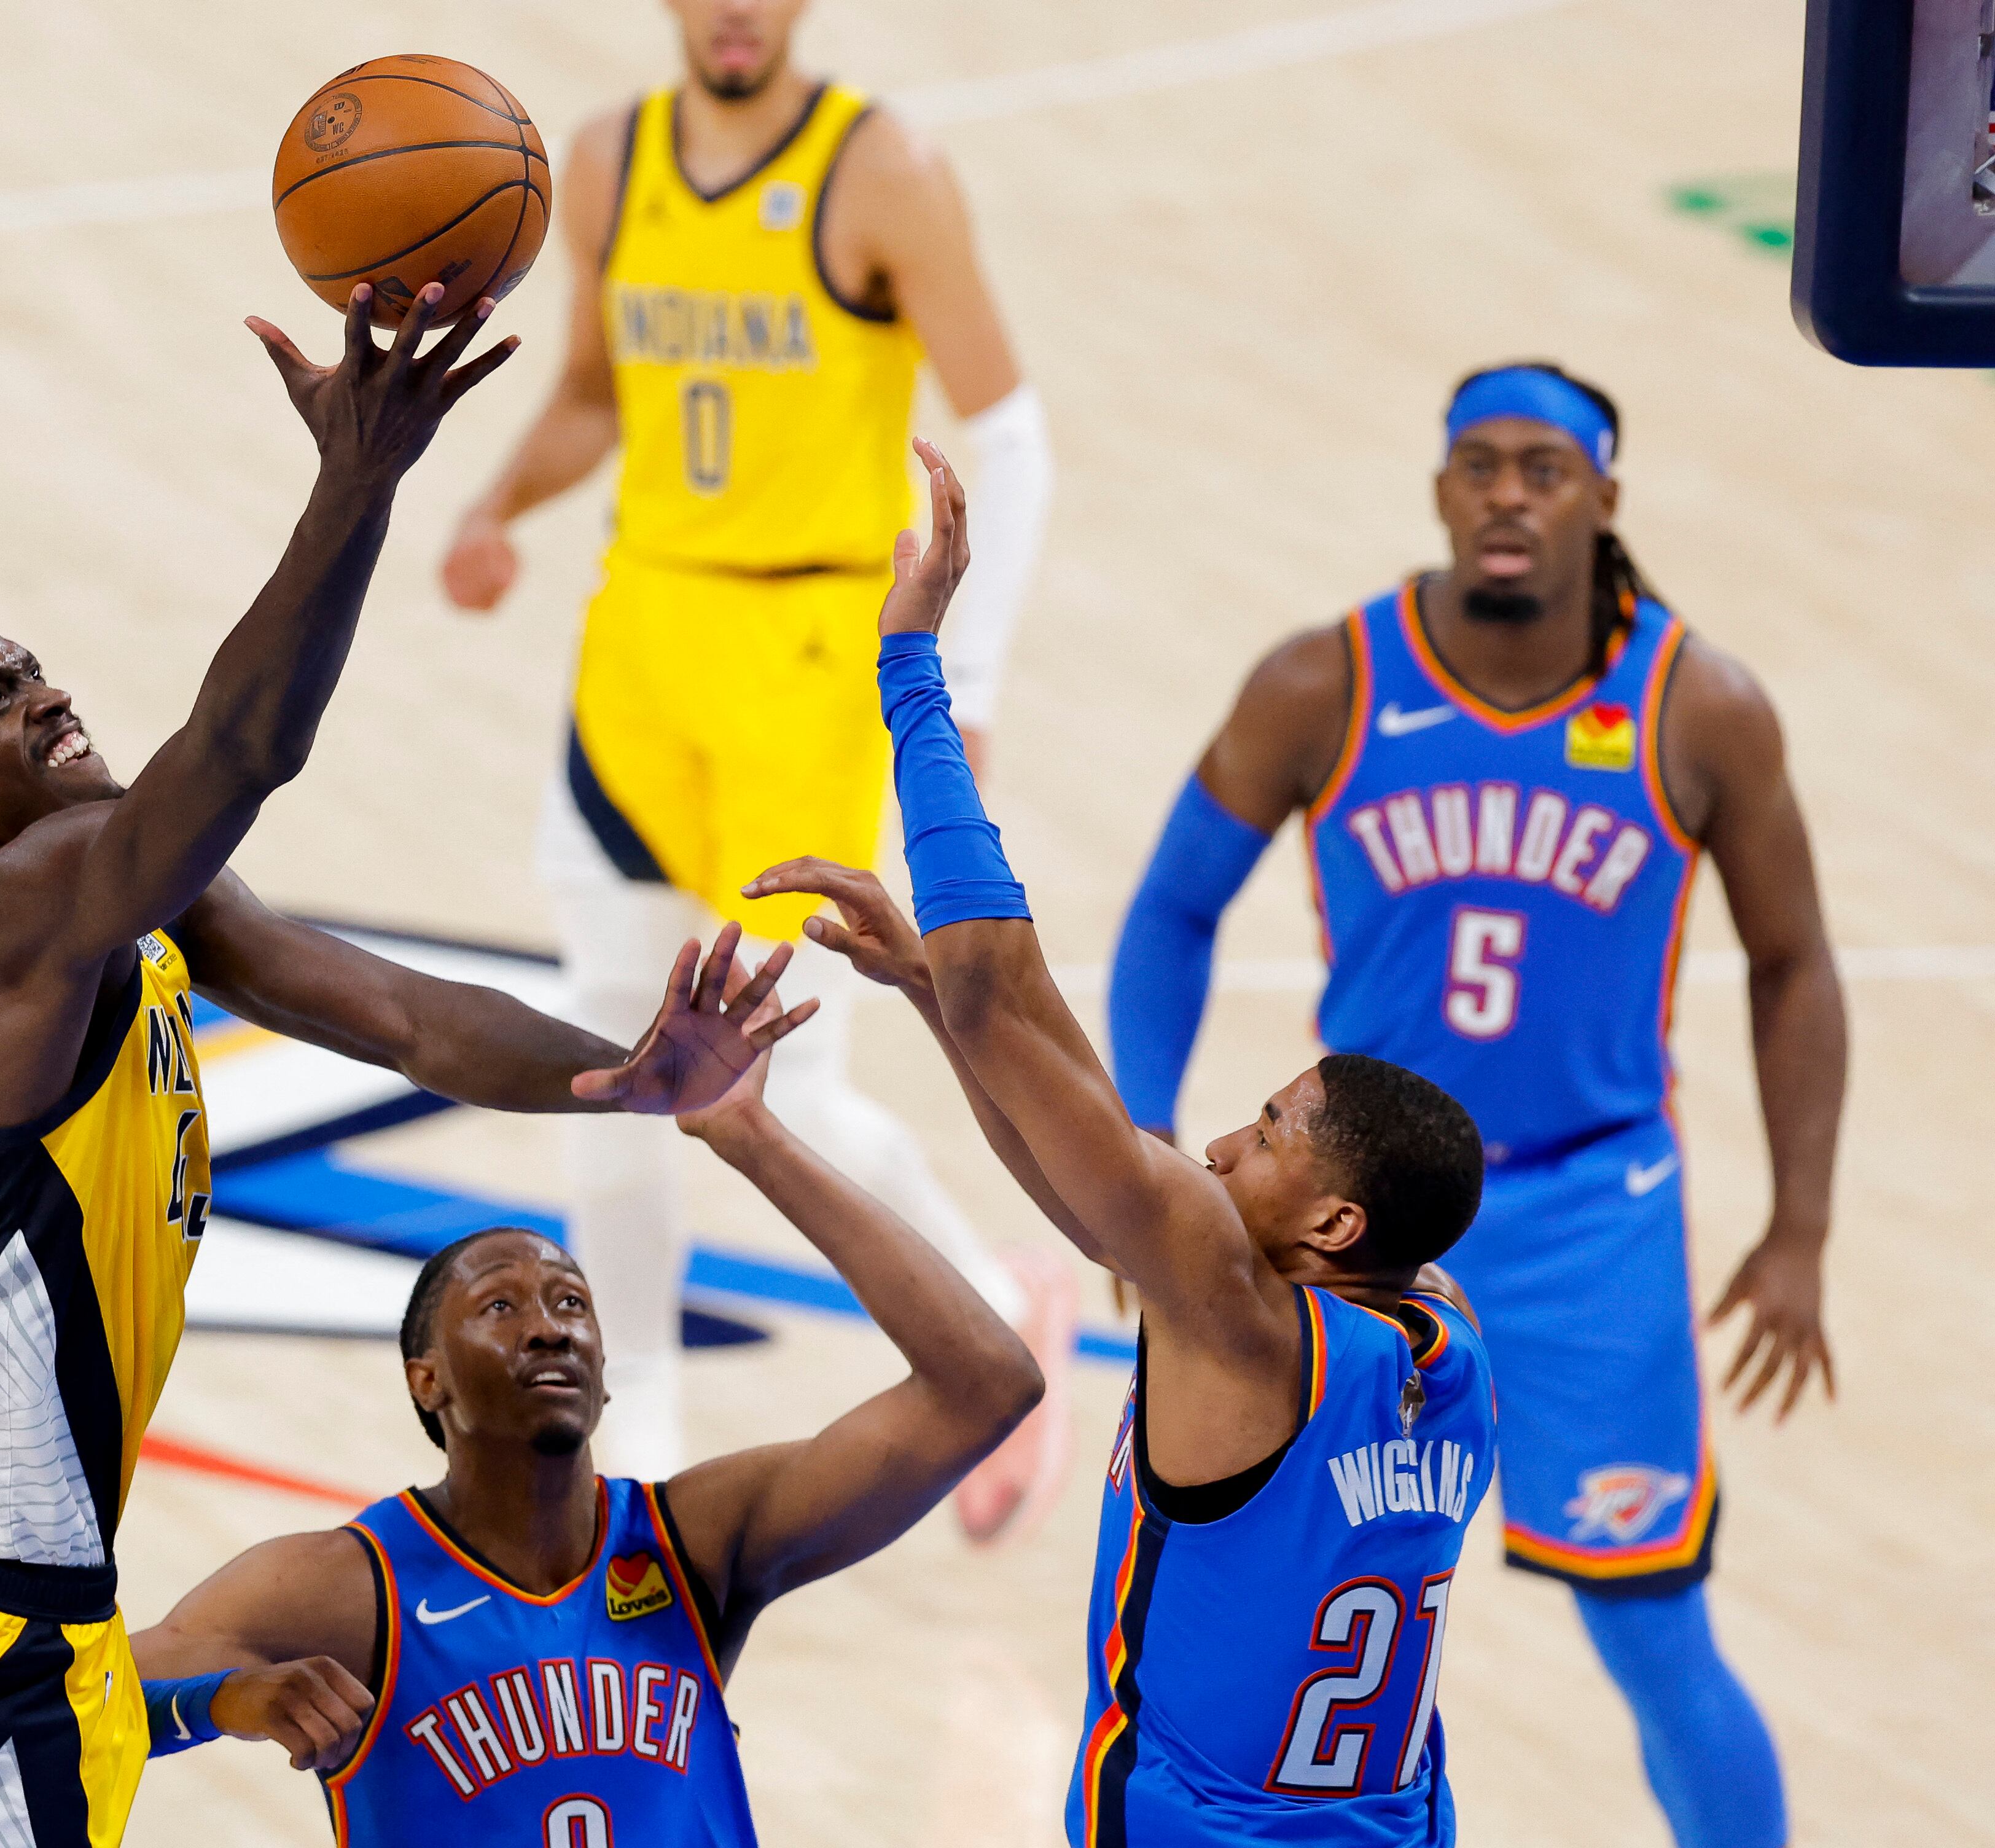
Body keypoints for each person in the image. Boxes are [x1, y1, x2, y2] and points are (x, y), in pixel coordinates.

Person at [0, 288, 789, 1848]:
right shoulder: (2, 920)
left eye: (32, 662)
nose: (43, 693)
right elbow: (236, 756)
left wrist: (634, 1079)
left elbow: (399, 1019)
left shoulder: (112, 903)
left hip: (17, 1593)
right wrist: (356, 480)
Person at [1101, 363, 1837, 1848]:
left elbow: (1796, 961)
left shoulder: (1701, 709)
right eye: (1481, 465)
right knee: (1274, 1596)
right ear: (1440, 488)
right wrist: (1143, 1151)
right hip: (1350, 1231)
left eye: (1547, 469)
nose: (1510, 493)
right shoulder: (1326, 684)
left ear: (1604, 500)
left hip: (1586, 1218)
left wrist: (1799, 1229)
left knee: (1650, 1623)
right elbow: (1174, 907)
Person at [749, 444, 1499, 1844]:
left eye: (1273, 1132)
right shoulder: (1446, 1341)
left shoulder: (1234, 1313)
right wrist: (928, 996)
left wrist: (913, 667)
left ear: (1336, 1225)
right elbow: (1090, 1181)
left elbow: (1004, 980)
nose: (1220, 1144)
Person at [436, 0, 1071, 1540]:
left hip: (808, 661)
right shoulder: (605, 163)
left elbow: (1016, 438)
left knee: (795, 1077)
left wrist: (964, 680)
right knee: (608, 1058)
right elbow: (596, 390)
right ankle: (634, 1407)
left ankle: (1001, 1302)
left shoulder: (882, 172)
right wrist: (497, 502)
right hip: (645, 644)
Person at [120, 928, 1044, 1845]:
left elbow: (986, 1385)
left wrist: (751, 1137)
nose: (549, 1325)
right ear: (427, 1380)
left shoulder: (698, 1544)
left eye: (572, 1302)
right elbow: (59, 1702)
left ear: (607, 1375)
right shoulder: (345, 1590)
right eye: (500, 1307)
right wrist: (213, 1704)